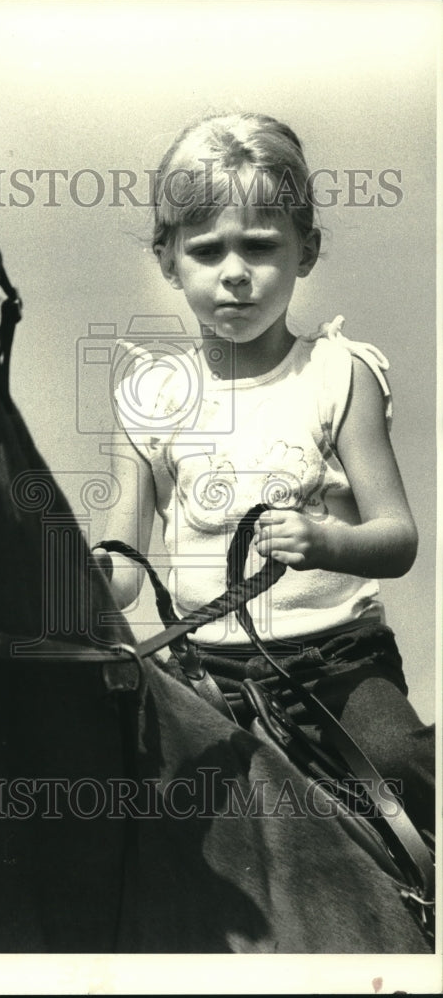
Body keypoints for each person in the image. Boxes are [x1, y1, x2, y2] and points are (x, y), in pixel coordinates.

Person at [93, 112, 434, 841]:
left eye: (260, 246)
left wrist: (326, 542)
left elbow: (398, 538)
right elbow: (120, 569)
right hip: (199, 675)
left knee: (404, 768)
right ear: (167, 257)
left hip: (335, 667)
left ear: (305, 250)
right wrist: (74, 575)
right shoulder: (148, 395)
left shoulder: (339, 374)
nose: (235, 272)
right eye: (207, 249)